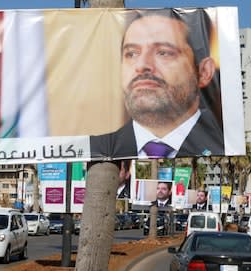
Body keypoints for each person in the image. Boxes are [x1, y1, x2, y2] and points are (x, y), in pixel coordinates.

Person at [90, 9, 224, 159]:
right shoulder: (94, 148)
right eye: (131, 54)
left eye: (163, 52)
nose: (141, 65)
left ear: (204, 72)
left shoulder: (223, 145)